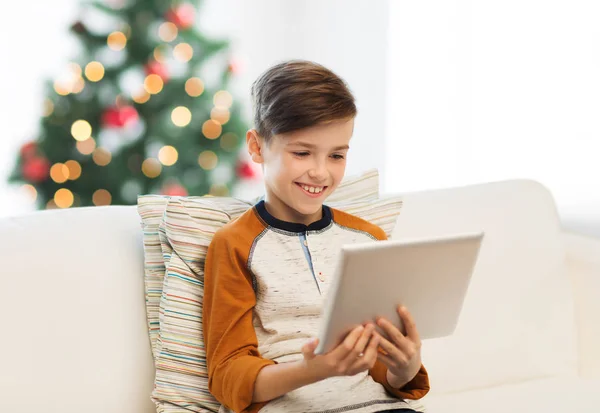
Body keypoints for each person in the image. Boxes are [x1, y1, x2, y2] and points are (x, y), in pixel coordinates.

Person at [203, 60, 430, 413]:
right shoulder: (234, 244)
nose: (321, 172)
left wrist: (405, 369)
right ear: (258, 146)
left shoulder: (367, 238)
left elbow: (380, 368)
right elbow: (228, 375)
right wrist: (313, 370)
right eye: (302, 152)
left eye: (336, 155)